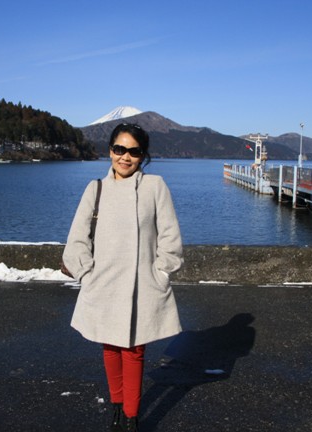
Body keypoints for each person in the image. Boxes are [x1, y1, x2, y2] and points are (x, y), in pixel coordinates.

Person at [62, 123, 184, 432]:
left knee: (134, 351)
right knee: (110, 348)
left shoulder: (155, 186)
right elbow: (77, 239)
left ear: (143, 156)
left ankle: (131, 417)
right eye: (119, 149)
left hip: (142, 285)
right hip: (103, 283)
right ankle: (117, 406)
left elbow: (170, 236)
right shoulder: (96, 189)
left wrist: (161, 272)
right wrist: (87, 274)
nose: (125, 157)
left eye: (134, 151)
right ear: (110, 151)